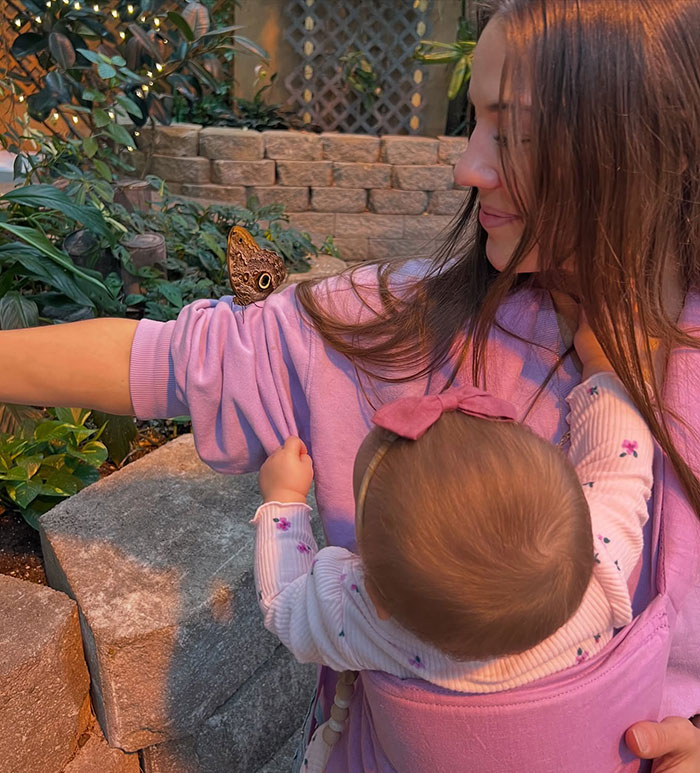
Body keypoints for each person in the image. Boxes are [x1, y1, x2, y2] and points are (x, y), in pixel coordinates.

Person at [1, 0, 698, 768]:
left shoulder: (350, 610)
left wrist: (282, 508)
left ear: (645, 143)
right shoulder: (389, 326)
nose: (467, 166)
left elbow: (291, 602)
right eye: (475, 120)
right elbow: (171, 360)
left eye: (519, 132)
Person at [253, 313, 653, 769]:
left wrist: (283, 500)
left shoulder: (363, 619)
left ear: (375, 591)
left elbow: (284, 602)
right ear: (582, 527)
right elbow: (620, 464)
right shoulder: (601, 577)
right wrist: (603, 362)